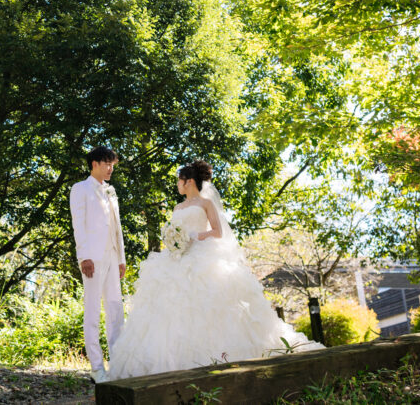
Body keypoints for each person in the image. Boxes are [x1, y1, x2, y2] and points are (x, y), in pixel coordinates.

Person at [106, 160, 322, 380]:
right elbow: (173, 231)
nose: (177, 185)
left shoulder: (206, 203)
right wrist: (174, 241)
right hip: (176, 259)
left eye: (179, 181)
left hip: (201, 255)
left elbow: (218, 232)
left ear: (189, 181)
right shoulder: (177, 208)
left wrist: (196, 236)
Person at [69, 146, 126, 383]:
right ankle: (96, 367)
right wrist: (83, 257)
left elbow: (117, 226)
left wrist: (121, 258)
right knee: (92, 311)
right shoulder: (80, 189)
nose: (110, 168)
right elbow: (78, 224)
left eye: (112, 164)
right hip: (92, 258)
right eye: (106, 164)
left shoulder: (111, 191)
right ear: (94, 164)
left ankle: (118, 364)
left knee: (115, 310)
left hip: (112, 257)